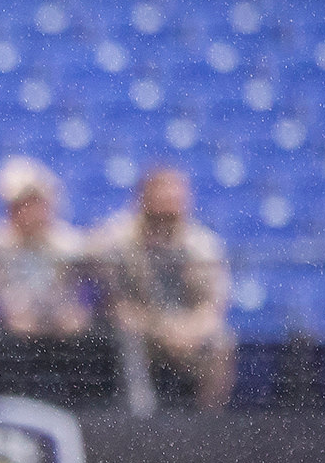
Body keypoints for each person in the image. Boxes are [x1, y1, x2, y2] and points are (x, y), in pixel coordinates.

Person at [0, 158, 112, 400]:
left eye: (38, 204)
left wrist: (78, 310)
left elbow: (94, 288)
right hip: (10, 334)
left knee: (94, 342)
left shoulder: (69, 245)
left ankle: (87, 410)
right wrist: (1, 312)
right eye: (24, 205)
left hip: (59, 330)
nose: (33, 213)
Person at [91, 166, 236, 411]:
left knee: (222, 341)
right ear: (143, 199)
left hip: (187, 330)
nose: (167, 209)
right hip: (141, 324)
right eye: (160, 199)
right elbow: (104, 286)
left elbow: (212, 306)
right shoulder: (119, 238)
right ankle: (140, 416)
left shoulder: (202, 245)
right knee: (126, 334)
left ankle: (210, 422)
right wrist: (159, 329)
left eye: (174, 200)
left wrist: (188, 331)